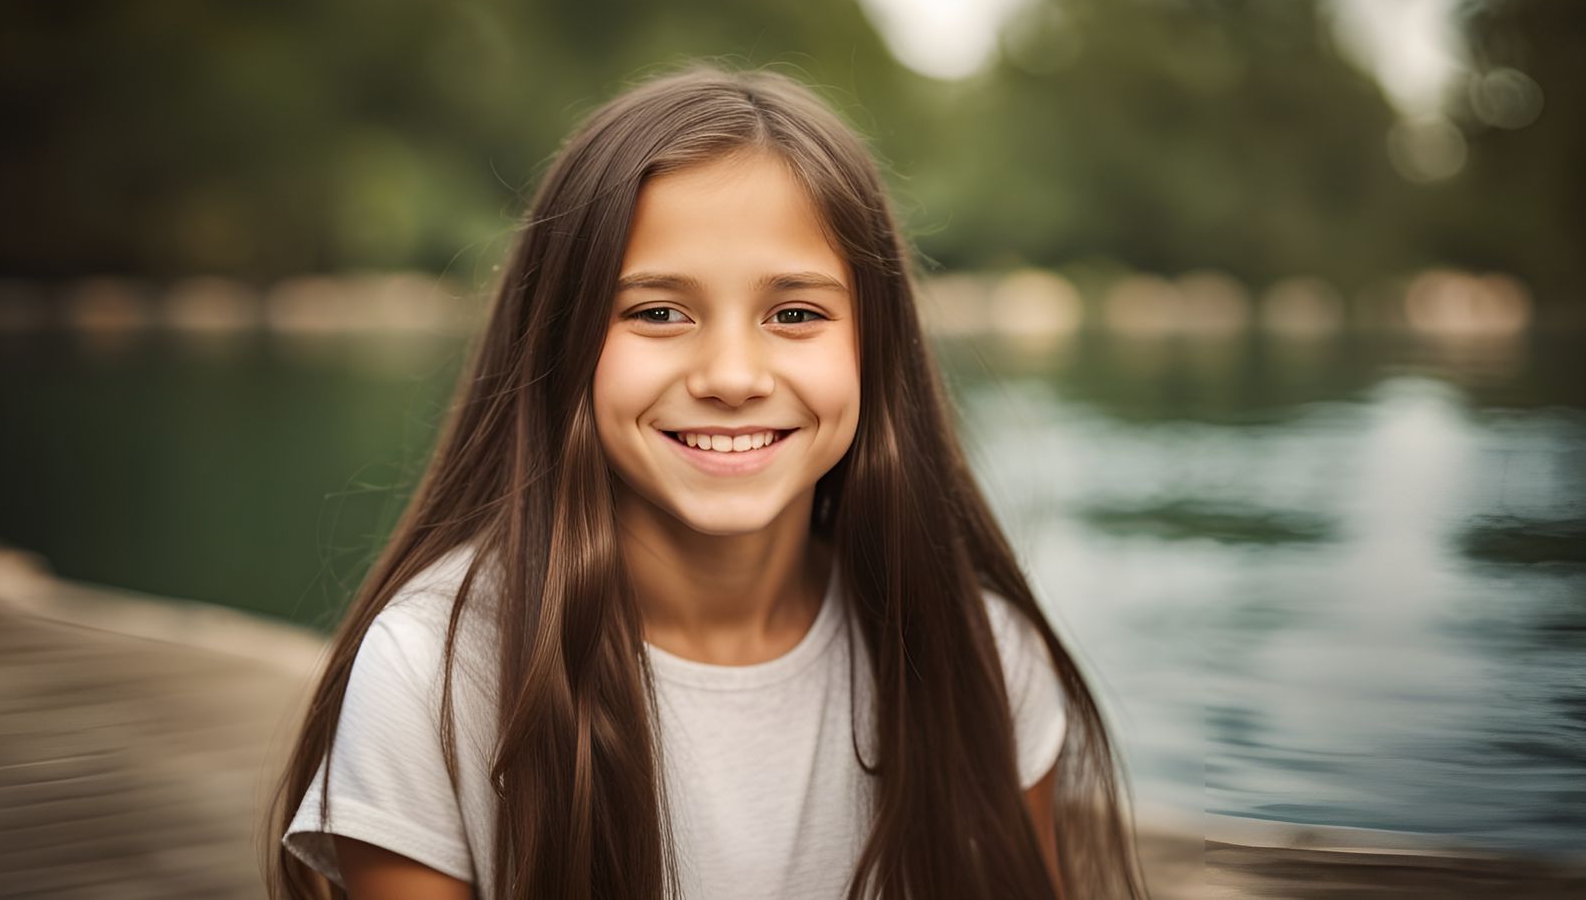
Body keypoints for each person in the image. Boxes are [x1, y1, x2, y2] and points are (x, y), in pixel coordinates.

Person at [266, 62, 1148, 900]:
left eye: (795, 313)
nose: (732, 375)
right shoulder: (433, 670)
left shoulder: (976, 655)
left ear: (877, 350)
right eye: (657, 312)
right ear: (561, 341)